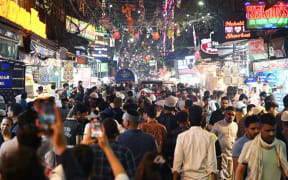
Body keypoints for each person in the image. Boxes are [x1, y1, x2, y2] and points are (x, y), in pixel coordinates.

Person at [236, 113, 288, 180]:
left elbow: (283, 170)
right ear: (260, 129)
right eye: (268, 131)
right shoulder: (249, 146)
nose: (271, 134)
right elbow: (240, 171)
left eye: (273, 130)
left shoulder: (281, 145)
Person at [173, 105, 218, 180]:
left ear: (188, 119)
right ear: (202, 118)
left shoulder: (181, 137)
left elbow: (177, 165)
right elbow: (212, 165)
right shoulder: (209, 137)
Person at [211, 106, 238, 179]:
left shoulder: (235, 125)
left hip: (232, 157)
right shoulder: (217, 125)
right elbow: (211, 139)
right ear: (225, 113)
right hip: (221, 157)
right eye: (229, 114)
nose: (231, 116)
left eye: (233, 115)